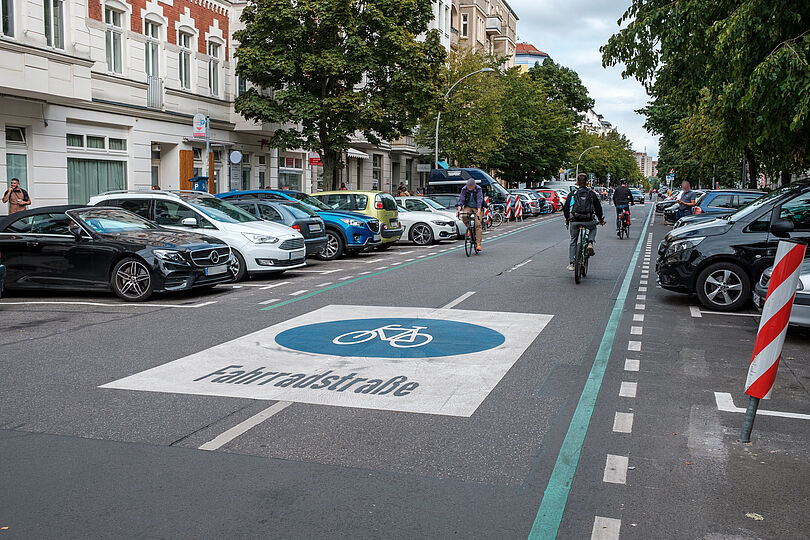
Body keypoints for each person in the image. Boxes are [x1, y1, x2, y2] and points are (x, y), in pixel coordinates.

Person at [563, 173, 605, 271]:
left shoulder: (572, 193)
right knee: (594, 227)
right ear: (587, 182)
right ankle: (590, 242)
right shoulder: (591, 193)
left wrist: (567, 218)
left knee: (573, 240)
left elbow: (566, 207)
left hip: (575, 220)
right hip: (588, 219)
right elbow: (598, 208)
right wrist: (600, 219)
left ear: (577, 182)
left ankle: (572, 264)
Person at [456, 178, 483, 252]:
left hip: (477, 207)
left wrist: (479, 210)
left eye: (471, 187)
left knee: (478, 224)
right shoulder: (464, 189)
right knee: (464, 216)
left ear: (474, 185)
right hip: (468, 206)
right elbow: (461, 199)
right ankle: (468, 228)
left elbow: (479, 199)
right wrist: (459, 209)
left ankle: (478, 244)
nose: (470, 188)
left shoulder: (478, 189)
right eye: (469, 187)